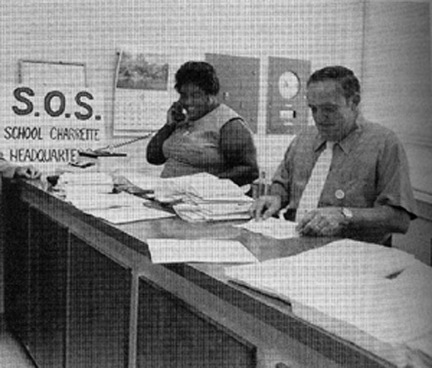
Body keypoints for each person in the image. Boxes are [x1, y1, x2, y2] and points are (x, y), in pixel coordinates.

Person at [251, 65, 417, 245]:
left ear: (354, 102)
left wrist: (344, 215)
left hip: (352, 258)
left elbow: (400, 219)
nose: (319, 118)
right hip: (296, 249)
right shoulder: (303, 140)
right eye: (313, 109)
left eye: (329, 109)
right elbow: (282, 184)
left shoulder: (384, 143)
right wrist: (275, 198)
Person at [146, 61, 259, 187]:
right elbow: (153, 157)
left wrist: (204, 186)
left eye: (196, 95)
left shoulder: (230, 124)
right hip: (167, 194)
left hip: (200, 200)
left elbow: (250, 171)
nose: (188, 102)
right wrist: (168, 125)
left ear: (210, 94)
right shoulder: (183, 120)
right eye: (183, 95)